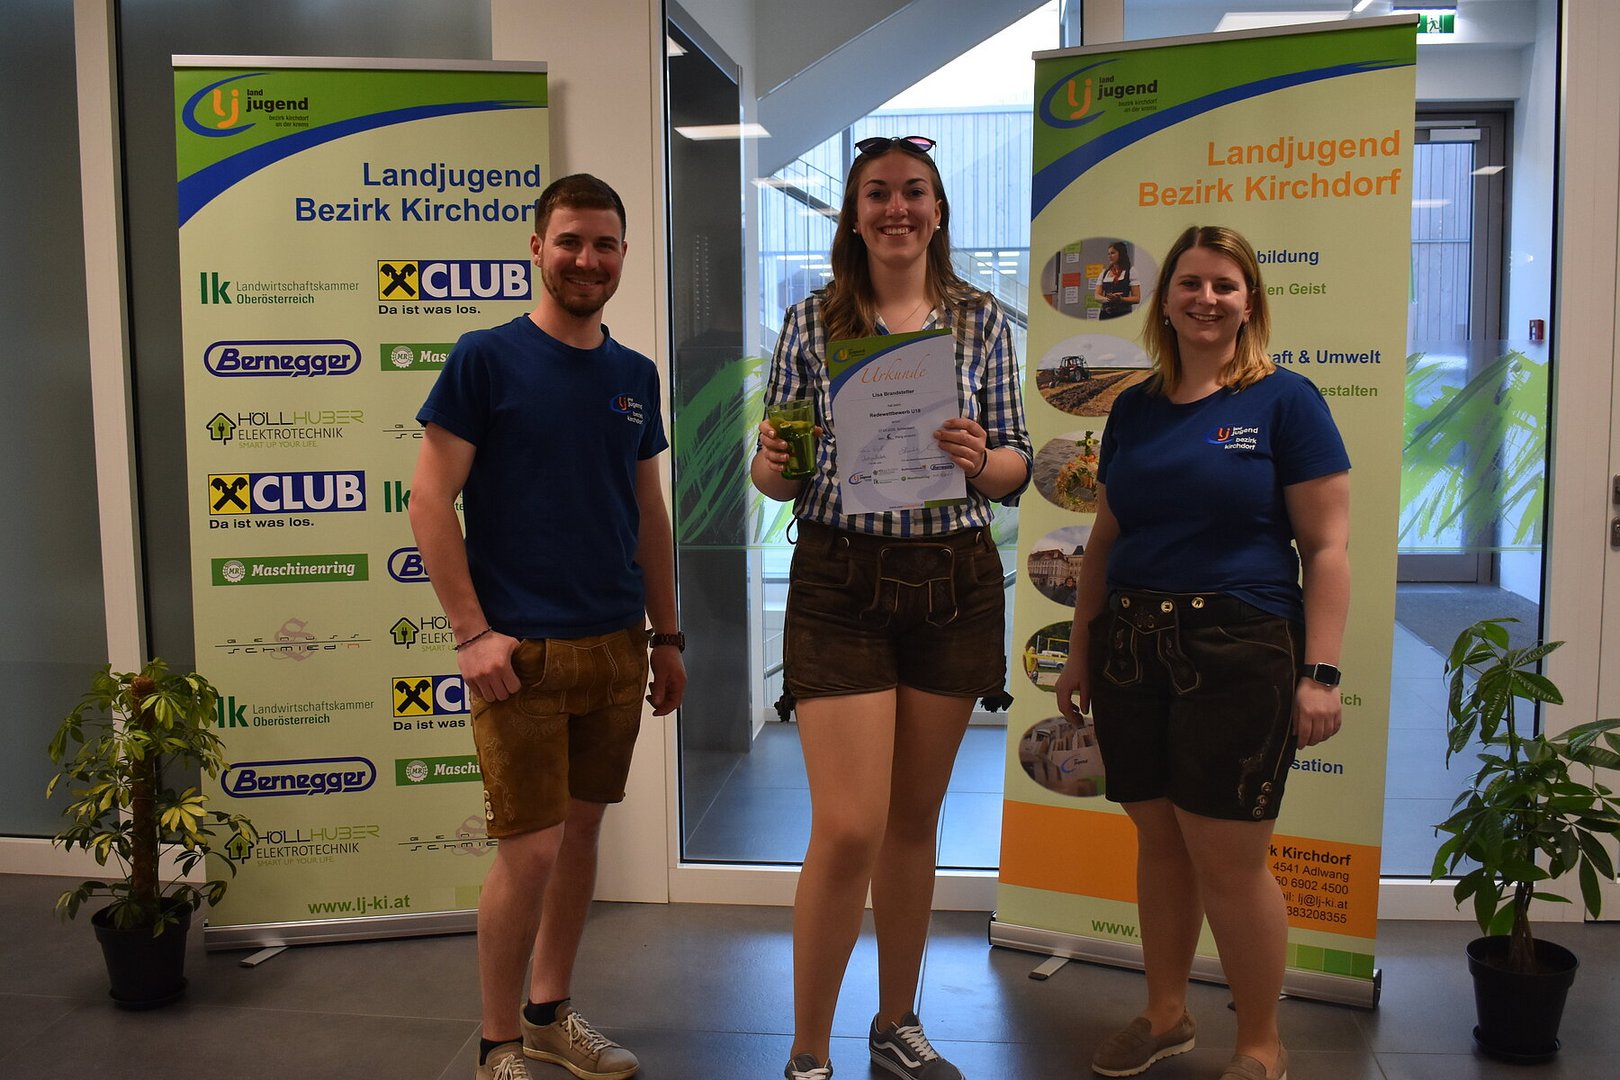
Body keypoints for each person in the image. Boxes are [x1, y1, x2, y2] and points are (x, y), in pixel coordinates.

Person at [752, 134, 1033, 1080]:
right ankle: (806, 1050)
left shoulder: (981, 321)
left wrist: (980, 458)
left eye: (914, 192)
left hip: (954, 581)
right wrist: (771, 457)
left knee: (914, 821)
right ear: (855, 214)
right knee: (848, 828)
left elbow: (1016, 467)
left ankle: (896, 1023)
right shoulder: (812, 321)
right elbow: (776, 476)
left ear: (938, 211)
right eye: (877, 193)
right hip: (841, 582)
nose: (896, 208)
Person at [1053, 225, 1350, 1080]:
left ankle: (1260, 1042)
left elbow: (1327, 549)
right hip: (1132, 646)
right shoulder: (1136, 408)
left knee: (1230, 859)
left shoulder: (1285, 401)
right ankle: (1166, 1013)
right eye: (1190, 282)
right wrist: (1081, 650)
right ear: (1166, 299)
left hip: (1239, 647)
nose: (1206, 298)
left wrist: (1321, 673)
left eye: (1224, 284)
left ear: (1250, 301)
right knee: (1159, 840)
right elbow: (1105, 539)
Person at [409, 173, 686, 1080]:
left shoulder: (633, 376)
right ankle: (496, 1043)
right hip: (518, 657)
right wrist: (471, 634)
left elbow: (648, 515)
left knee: (578, 843)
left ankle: (548, 1013)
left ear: (623, 255)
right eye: (569, 240)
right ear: (537, 248)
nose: (586, 259)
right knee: (528, 855)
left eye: (604, 244)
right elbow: (428, 501)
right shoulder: (484, 359)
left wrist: (667, 637)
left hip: (615, 648)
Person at [1094, 240, 1140, 319]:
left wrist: (1121, 299)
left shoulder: (1130, 271)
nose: (1110, 256)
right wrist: (1108, 299)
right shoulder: (1104, 273)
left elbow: (1137, 298)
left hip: (1123, 314)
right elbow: (1097, 296)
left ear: (1121, 254)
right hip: (1105, 315)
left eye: (1113, 253)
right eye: (1108, 254)